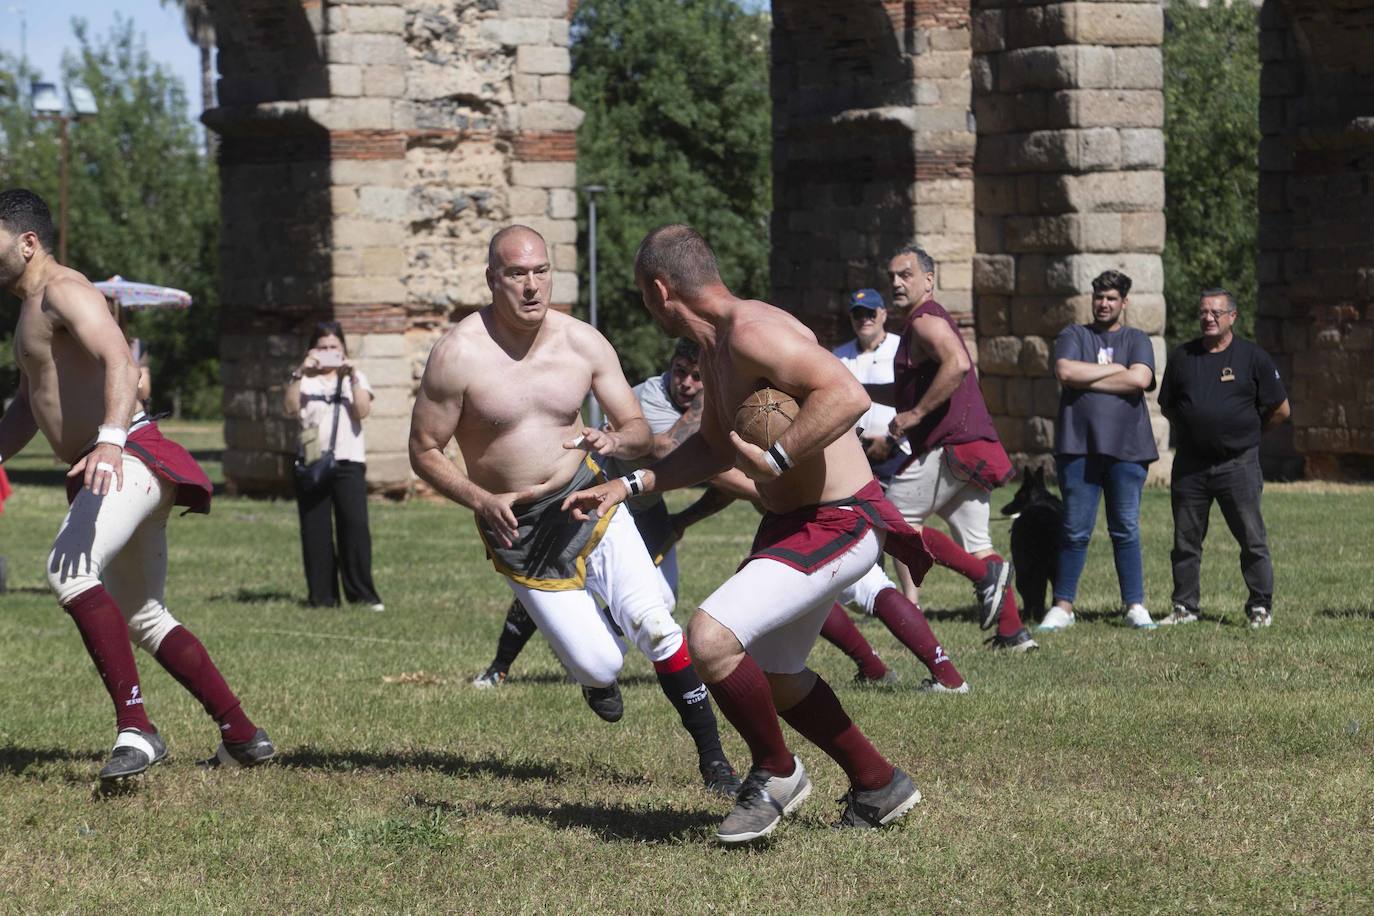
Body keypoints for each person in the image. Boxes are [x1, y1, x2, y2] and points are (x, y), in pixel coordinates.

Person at [566, 225, 936, 843]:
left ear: (661, 290)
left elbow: (844, 394)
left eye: (641, 295)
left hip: (840, 518)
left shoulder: (752, 331)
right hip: (794, 522)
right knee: (775, 672)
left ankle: (777, 771)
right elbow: (712, 448)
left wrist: (781, 457)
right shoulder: (715, 347)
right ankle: (878, 783)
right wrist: (629, 486)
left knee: (710, 639)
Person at [408, 225, 740, 795]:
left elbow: (637, 429)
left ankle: (715, 762)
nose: (532, 287)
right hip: (519, 528)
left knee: (658, 625)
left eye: (541, 272)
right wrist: (482, 500)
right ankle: (593, 678)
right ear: (492, 280)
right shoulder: (458, 354)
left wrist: (616, 442)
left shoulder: (583, 342)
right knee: (601, 665)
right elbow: (423, 451)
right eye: (516, 274)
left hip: (588, 500)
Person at [0, 188, 273, 780]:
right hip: (114, 463)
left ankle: (137, 726)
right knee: (144, 614)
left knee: (68, 571)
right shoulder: (26, 308)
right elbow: (31, 404)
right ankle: (242, 733)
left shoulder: (65, 289)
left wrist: (109, 440)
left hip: (126, 457)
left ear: (27, 242)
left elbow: (122, 362)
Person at [471, 338, 755, 689]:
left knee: (662, 602)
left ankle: (592, 655)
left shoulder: (715, 403)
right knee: (550, 582)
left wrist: (684, 520)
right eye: (680, 373)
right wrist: (765, 485)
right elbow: (669, 452)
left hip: (647, 509)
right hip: (600, 503)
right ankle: (500, 666)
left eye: (698, 377)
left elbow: (722, 479)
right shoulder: (648, 399)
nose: (687, 384)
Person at [867, 246, 1036, 652]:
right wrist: (864, 390)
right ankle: (1013, 633)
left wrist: (914, 415)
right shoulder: (924, 322)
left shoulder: (924, 320)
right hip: (969, 448)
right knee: (979, 544)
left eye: (905, 274)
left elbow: (957, 364)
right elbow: (916, 385)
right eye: (892, 276)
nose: (896, 282)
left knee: (893, 525)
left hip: (951, 448)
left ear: (929, 279)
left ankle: (983, 578)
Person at [828, 288, 968, 692]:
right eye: (857, 313)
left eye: (869, 312)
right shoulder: (839, 354)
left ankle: (932, 592)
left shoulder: (901, 346)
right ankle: (881, 663)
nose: (863, 318)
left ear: (883, 314)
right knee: (861, 569)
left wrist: (896, 434)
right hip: (852, 453)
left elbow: (920, 390)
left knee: (898, 529)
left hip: (896, 447)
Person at [1157, 288, 1290, 628]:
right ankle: (1185, 607)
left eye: (1216, 312)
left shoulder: (1253, 357)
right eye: (1203, 312)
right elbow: (1168, 405)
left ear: (1233, 316)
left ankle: (1260, 607)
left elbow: (1281, 409)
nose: (1208, 318)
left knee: (1251, 538)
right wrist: (1198, 429)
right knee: (1185, 540)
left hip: (1238, 465)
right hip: (1191, 466)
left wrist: (1248, 435)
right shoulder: (1182, 357)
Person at [1039, 270, 1159, 631]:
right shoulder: (1074, 334)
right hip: (1078, 447)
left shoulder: (1137, 338)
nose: (1104, 304)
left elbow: (1140, 379)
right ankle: (1063, 606)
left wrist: (1091, 375)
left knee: (1125, 528)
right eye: (1099, 298)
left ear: (1124, 302)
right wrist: (1116, 372)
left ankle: (1135, 605)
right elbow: (1065, 371)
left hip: (1128, 449)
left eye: (1111, 298)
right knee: (1075, 528)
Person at [284, 321, 384, 611]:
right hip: (313, 461)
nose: (328, 352)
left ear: (343, 349)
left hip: (349, 460)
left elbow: (362, 411)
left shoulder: (357, 377)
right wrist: (300, 371)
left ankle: (363, 594)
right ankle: (322, 597)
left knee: (354, 527)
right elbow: (290, 408)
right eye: (322, 347)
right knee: (315, 529)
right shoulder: (303, 379)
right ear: (312, 349)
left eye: (334, 347)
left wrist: (351, 377)